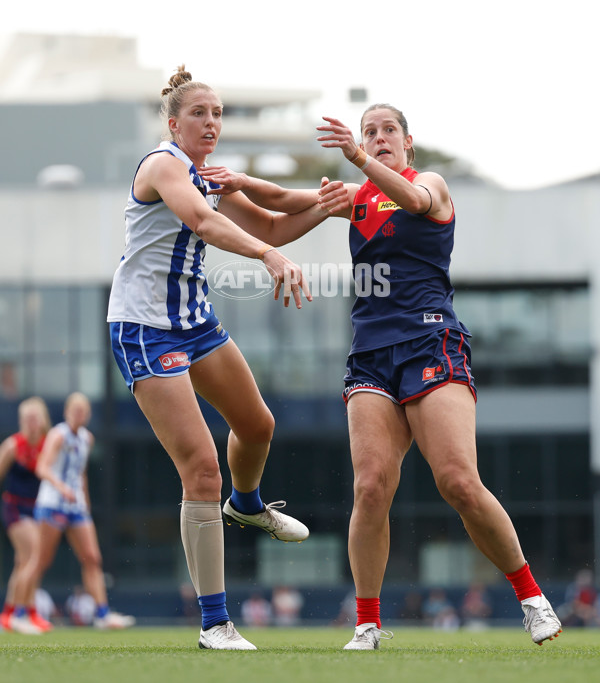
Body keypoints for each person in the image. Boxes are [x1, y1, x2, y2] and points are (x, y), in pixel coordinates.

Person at [203, 103, 563, 650]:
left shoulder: (429, 184)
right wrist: (235, 180)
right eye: (369, 133)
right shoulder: (359, 197)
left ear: (407, 142)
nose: (377, 138)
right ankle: (367, 624)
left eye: (387, 131)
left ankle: (531, 598)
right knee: (370, 488)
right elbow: (277, 206)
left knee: (458, 482)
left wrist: (353, 156)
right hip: (370, 353)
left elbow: (415, 200)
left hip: (431, 342)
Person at [106, 66, 330, 650]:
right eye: (199, 114)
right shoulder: (162, 165)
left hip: (194, 322)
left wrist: (330, 206)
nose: (211, 123)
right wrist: (266, 258)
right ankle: (215, 624)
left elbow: (277, 225)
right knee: (201, 468)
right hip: (145, 329)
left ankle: (248, 505)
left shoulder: (211, 174)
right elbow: (204, 223)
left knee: (257, 426)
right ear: (173, 122)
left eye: (218, 113)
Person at [33, 391, 135, 629]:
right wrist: (62, 488)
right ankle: (22, 611)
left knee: (92, 558)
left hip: (76, 505)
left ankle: (102, 614)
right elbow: (42, 467)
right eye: (76, 410)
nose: (80, 415)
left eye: (84, 410)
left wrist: (84, 502)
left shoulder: (86, 439)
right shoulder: (57, 435)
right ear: (68, 411)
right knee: (41, 560)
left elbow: (81, 474)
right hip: (52, 503)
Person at [0, 396, 52, 634]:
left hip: (38, 508)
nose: (32, 423)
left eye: (35, 418)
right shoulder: (13, 445)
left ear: (42, 420)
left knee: (24, 561)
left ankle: (10, 613)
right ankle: (23, 612)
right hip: (14, 508)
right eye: (27, 419)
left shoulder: (48, 444)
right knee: (34, 554)